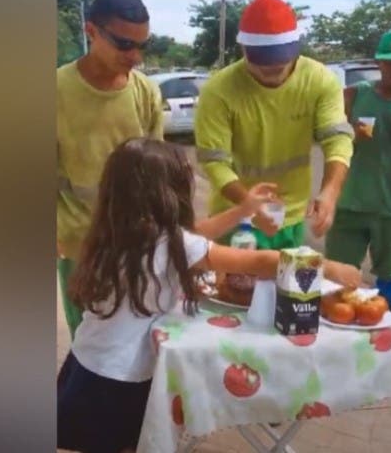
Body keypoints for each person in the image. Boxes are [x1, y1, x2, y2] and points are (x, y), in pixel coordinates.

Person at [56, 138, 361, 453]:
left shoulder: (115, 231)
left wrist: (242, 210)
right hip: (121, 378)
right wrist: (328, 267)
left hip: (87, 362)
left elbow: (194, 235)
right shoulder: (170, 244)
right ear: (169, 193)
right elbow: (257, 261)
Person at [195, 0, 354, 251]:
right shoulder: (219, 91)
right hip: (234, 219)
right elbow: (215, 163)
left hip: (290, 217)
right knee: (232, 289)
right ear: (244, 50)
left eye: (280, 67)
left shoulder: (320, 80)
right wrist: (249, 206)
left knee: (286, 288)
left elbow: (337, 138)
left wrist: (330, 192)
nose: (272, 75)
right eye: (261, 67)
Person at [57, 0, 164, 340]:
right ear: (91, 32)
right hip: (80, 245)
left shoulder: (145, 92)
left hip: (137, 243)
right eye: (123, 44)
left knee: (137, 342)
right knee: (88, 344)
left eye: (142, 45)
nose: (135, 56)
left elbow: (157, 170)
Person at [325, 26, 391, 310]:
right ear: (379, 62)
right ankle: (336, 329)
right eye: (390, 61)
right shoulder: (354, 95)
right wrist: (345, 131)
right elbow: (326, 136)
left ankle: (383, 328)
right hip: (350, 203)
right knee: (338, 275)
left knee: (389, 276)